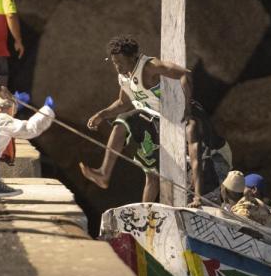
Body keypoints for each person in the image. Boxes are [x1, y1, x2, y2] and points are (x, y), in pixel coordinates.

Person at [80, 36, 193, 203]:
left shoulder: (149, 66)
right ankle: (146, 218)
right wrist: (101, 115)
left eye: (120, 62)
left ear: (133, 57)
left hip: (165, 121)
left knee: (123, 120)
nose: (117, 66)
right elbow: (123, 103)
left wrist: (186, 107)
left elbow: (184, 74)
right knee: (151, 174)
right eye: (114, 62)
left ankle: (104, 172)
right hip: (149, 124)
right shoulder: (124, 77)